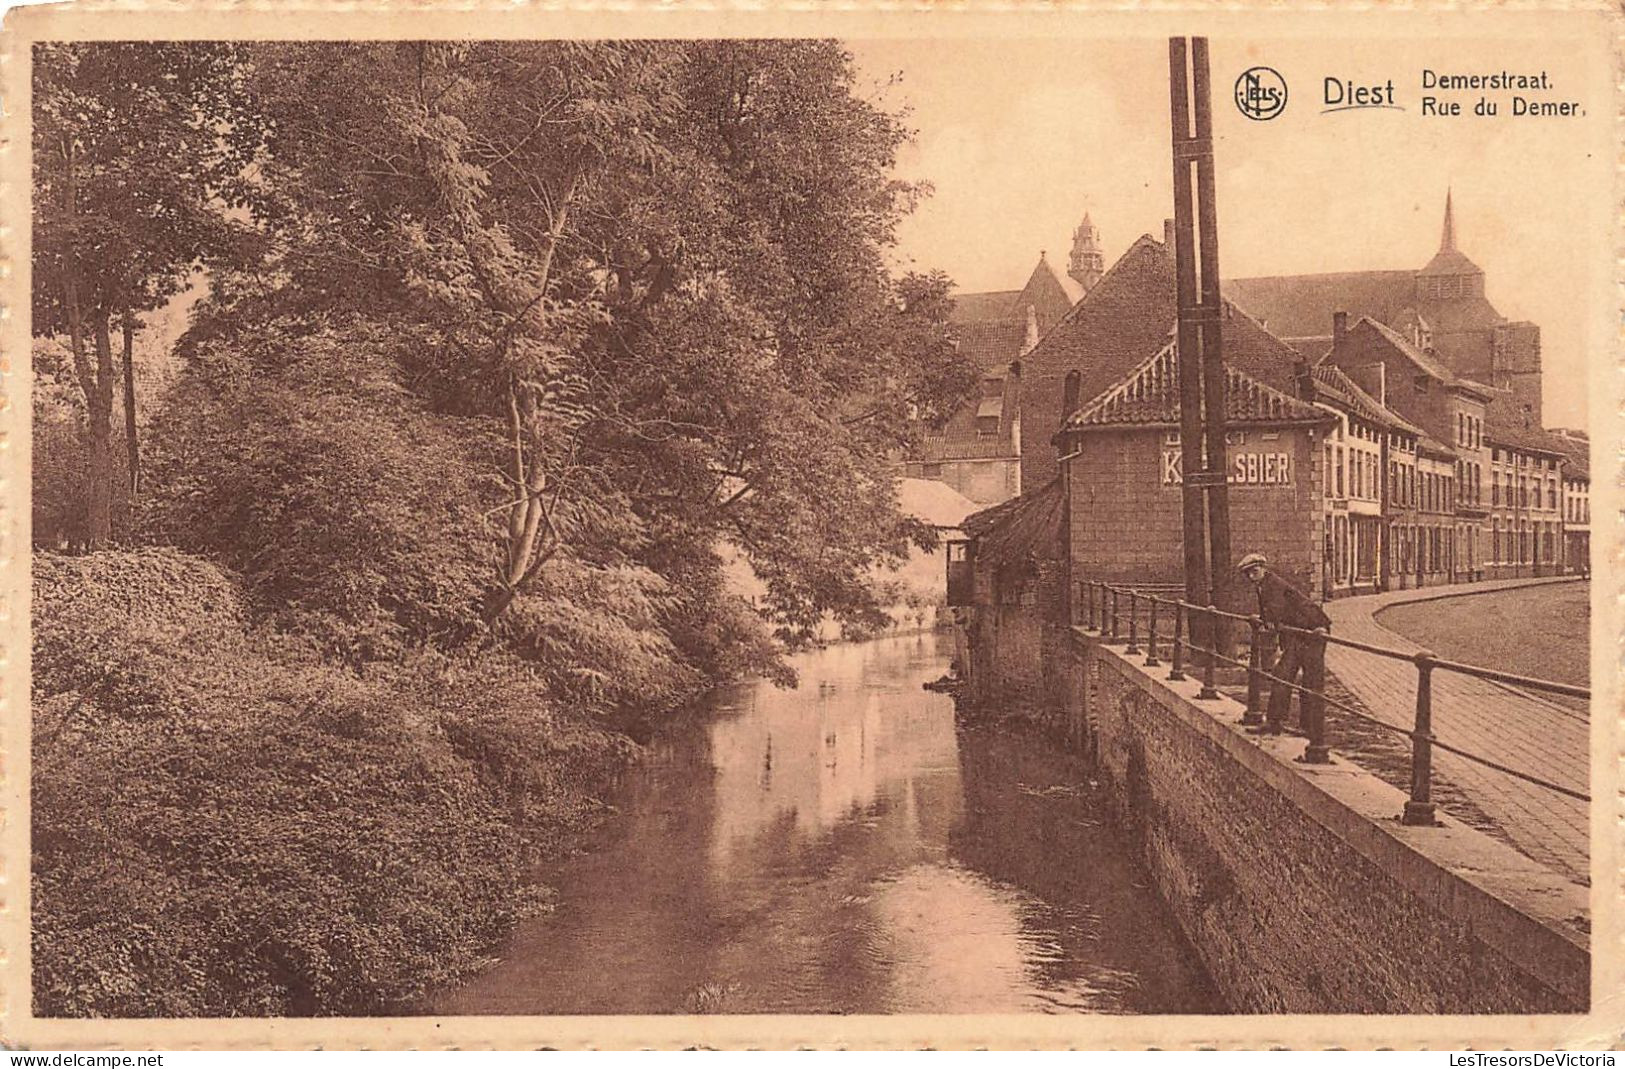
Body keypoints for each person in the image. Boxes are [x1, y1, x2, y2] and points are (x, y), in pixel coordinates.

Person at [1237, 552, 1331, 762]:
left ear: (1263, 568)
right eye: (1248, 574)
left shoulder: (1273, 584)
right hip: (1297, 634)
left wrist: (1270, 624)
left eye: (1254, 571)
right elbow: (1270, 613)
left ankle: (1311, 731)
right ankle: (1275, 722)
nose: (1252, 576)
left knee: (1310, 681)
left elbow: (1278, 611)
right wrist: (1264, 620)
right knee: (1282, 675)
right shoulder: (1263, 586)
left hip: (1312, 631)